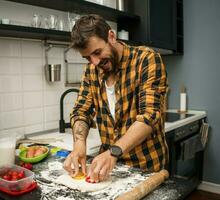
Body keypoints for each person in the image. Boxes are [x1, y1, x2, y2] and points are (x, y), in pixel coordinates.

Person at [63, 14, 168, 183]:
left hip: (145, 167)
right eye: (88, 57)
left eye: (97, 52)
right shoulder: (92, 70)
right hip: (107, 169)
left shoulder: (146, 59)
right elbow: (81, 110)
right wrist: (79, 144)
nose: (95, 62)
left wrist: (114, 152)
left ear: (111, 36)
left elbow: (150, 116)